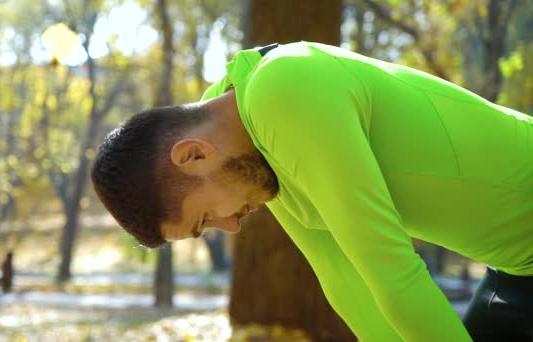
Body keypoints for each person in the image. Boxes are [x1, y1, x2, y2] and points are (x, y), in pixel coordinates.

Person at [91, 41, 533, 341]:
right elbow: (344, 279)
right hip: (516, 268)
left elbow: (393, 272)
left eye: (204, 220)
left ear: (193, 155)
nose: (230, 227)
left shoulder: (283, 92)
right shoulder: (247, 138)